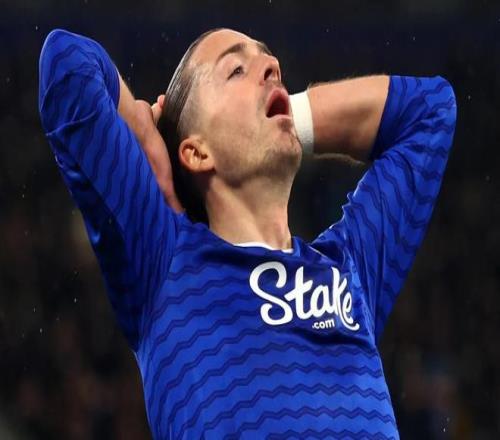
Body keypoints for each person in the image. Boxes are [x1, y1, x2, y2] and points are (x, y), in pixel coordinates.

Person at [38, 27, 456, 439]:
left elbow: (431, 111)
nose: (272, 66)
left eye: (268, 59)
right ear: (196, 152)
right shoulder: (165, 261)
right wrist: (144, 133)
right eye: (236, 69)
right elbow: (66, 64)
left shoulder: (349, 269)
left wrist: (287, 117)